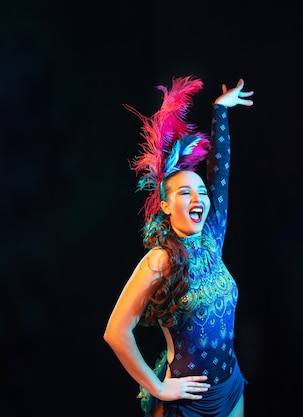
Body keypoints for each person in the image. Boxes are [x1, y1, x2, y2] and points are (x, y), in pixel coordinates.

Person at [104, 75, 254, 417]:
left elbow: (220, 174)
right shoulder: (161, 260)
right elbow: (116, 331)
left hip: (230, 388)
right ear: (166, 206)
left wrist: (220, 112)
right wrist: (157, 387)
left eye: (201, 192)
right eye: (185, 192)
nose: (198, 197)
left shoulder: (213, 236)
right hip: (188, 403)